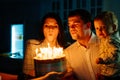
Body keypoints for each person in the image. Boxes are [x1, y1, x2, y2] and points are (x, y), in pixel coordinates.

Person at [23, 12, 67, 80]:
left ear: (59, 30)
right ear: (42, 29)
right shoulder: (32, 45)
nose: (50, 29)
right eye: (47, 26)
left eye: (55, 26)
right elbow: (27, 73)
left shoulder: (65, 48)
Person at [64, 9, 99, 80]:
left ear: (88, 25)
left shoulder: (105, 44)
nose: (71, 28)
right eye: (69, 25)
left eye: (76, 24)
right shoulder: (68, 53)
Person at [94, 11, 120, 80]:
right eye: (97, 28)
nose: (99, 30)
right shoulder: (105, 38)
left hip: (113, 75)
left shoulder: (112, 40)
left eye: (103, 27)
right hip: (108, 73)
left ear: (114, 27)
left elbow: (116, 56)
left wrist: (103, 60)